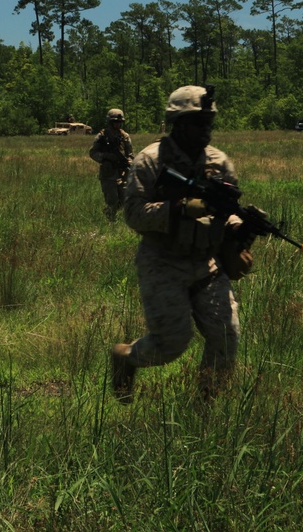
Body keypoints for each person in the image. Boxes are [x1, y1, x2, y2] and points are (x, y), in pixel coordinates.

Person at [110, 85, 249, 403]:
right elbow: (133, 214)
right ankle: (126, 357)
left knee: (226, 336)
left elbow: (227, 211)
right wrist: (180, 208)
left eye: (209, 123)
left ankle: (206, 408)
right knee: (171, 344)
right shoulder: (150, 161)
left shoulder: (218, 161)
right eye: (199, 123)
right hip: (163, 262)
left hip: (207, 265)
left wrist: (239, 227)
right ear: (179, 123)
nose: (206, 131)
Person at [89, 109, 134, 221]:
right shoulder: (102, 136)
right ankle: (110, 222)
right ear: (110, 122)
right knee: (112, 200)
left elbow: (130, 154)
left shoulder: (125, 136)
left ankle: (108, 213)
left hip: (122, 172)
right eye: (115, 122)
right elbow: (92, 152)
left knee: (123, 200)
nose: (118, 124)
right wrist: (106, 156)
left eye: (120, 122)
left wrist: (129, 161)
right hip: (108, 173)